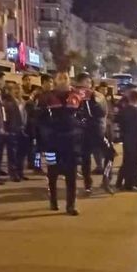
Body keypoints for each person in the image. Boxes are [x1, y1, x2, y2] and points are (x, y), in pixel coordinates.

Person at [37, 72, 83, 215]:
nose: (62, 81)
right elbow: (39, 119)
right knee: (52, 173)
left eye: (65, 78)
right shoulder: (46, 97)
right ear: (55, 81)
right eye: (60, 78)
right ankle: (53, 200)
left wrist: (79, 132)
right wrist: (43, 138)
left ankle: (71, 205)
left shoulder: (76, 96)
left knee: (71, 175)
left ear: (69, 80)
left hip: (71, 143)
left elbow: (83, 116)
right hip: (52, 143)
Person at [74, 73, 107, 195]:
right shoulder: (74, 97)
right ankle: (88, 183)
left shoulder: (96, 96)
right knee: (85, 159)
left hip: (96, 131)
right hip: (82, 133)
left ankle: (106, 179)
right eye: (83, 82)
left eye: (88, 82)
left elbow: (102, 112)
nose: (86, 85)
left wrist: (94, 100)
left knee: (109, 153)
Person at [116, 89, 137, 192]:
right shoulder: (136, 111)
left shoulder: (123, 110)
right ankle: (130, 184)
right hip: (134, 139)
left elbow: (118, 121)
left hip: (127, 138)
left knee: (127, 161)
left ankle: (120, 182)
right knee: (132, 161)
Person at [3, 83, 28, 182]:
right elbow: (6, 119)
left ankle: (20, 172)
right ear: (11, 91)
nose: (17, 91)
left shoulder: (23, 102)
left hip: (22, 130)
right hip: (12, 130)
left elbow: (25, 116)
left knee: (21, 153)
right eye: (15, 89)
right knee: (12, 153)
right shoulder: (7, 103)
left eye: (19, 89)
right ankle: (13, 174)